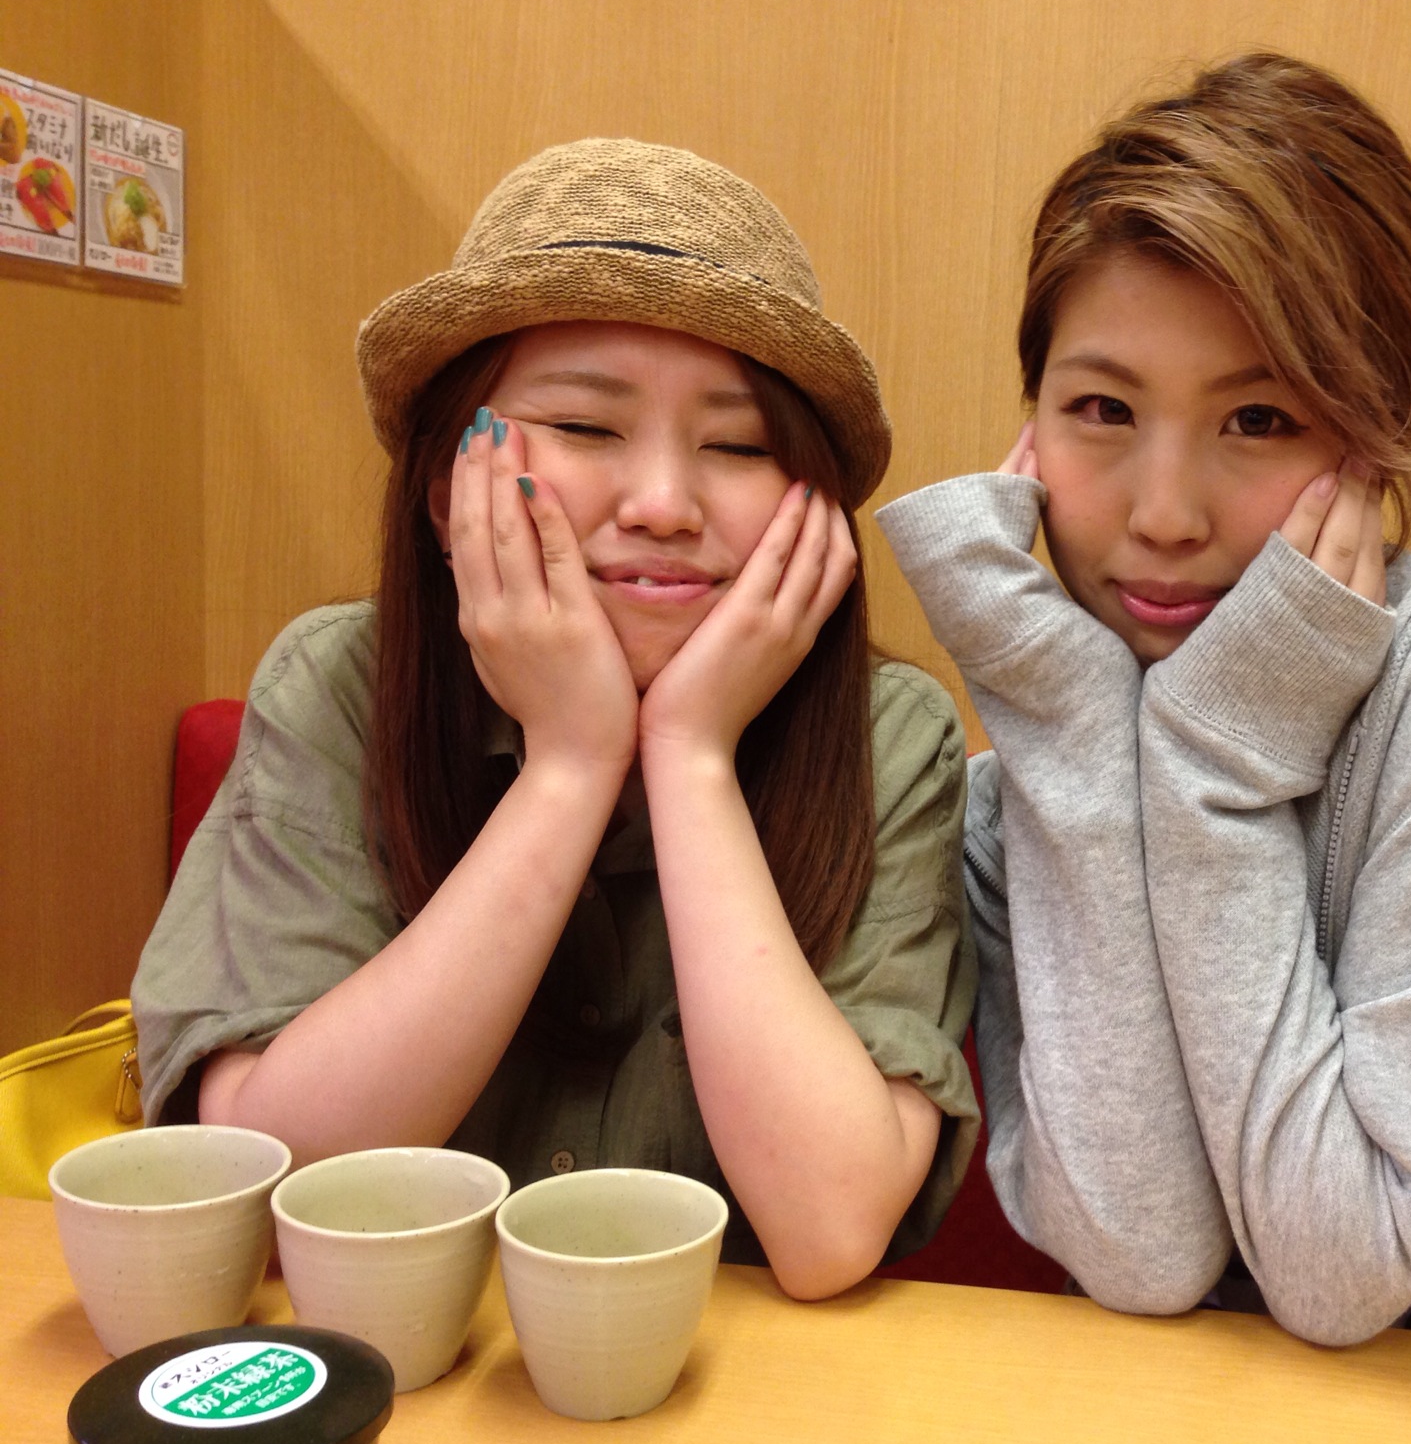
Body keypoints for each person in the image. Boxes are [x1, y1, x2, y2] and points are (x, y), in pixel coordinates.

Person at [876, 54, 1411, 1349]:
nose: (1162, 515)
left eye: (1256, 418)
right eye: (1100, 409)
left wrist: (1217, 768)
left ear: (1371, 431)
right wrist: (1072, 741)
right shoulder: (1040, 760)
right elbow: (1139, 1254)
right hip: (1190, 1432)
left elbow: (1339, 1271)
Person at [133, 139, 979, 1301]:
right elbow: (275, 1184)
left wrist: (689, 757)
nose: (664, 504)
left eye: (738, 446)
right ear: (448, 488)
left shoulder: (890, 738)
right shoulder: (337, 686)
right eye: (585, 427)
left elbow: (829, 1227)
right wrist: (569, 768)